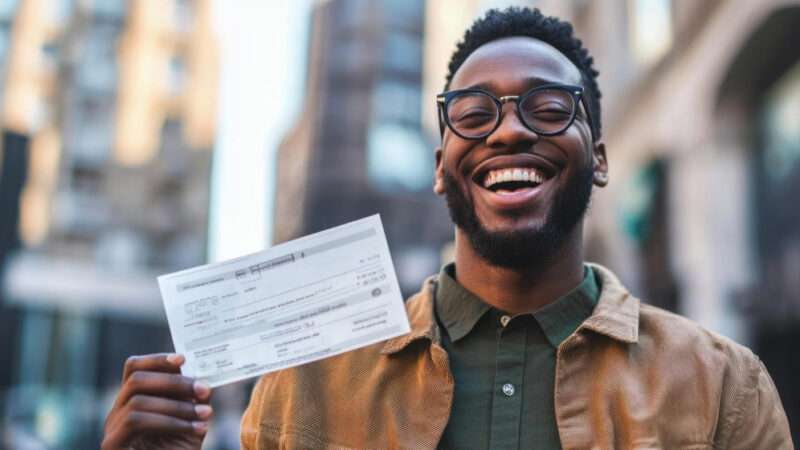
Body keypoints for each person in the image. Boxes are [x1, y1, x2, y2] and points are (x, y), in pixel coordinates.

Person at [101, 7, 792, 449]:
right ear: (441, 166)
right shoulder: (304, 388)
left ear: (601, 159)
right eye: (473, 113)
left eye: (550, 108)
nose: (511, 129)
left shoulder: (723, 389)